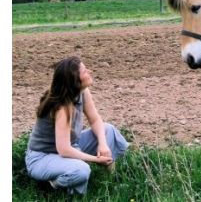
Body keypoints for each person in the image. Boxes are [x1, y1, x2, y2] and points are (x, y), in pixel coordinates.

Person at [25, 56, 129, 195]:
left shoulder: (82, 92)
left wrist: (102, 145)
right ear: (75, 80)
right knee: (81, 170)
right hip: (43, 158)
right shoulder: (62, 107)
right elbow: (64, 150)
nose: (90, 71)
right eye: (85, 71)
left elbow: (95, 120)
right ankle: (52, 186)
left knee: (107, 130)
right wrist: (96, 159)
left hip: (71, 146)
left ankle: (110, 182)